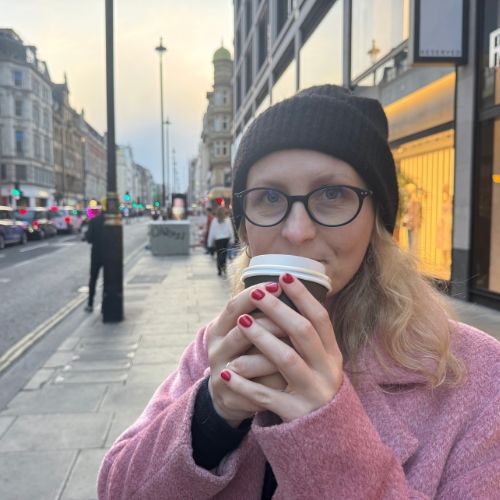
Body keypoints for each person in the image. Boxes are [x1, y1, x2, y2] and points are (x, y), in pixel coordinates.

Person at [97, 86, 500, 499]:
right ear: (244, 226)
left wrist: (323, 430)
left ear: (377, 219)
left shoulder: (480, 378)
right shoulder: (219, 346)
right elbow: (117, 490)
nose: (297, 231)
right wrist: (211, 413)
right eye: (270, 197)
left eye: (332, 195)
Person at [85, 200, 106, 312]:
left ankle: (90, 304)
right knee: (107, 279)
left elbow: (89, 238)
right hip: (109, 255)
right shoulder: (112, 221)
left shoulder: (94, 220)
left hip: (96, 254)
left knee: (93, 279)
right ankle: (104, 304)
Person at [207, 206, 235, 276]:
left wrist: (210, 243)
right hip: (225, 239)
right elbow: (230, 230)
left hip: (217, 240)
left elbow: (212, 231)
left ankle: (219, 269)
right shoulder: (227, 219)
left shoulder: (215, 220)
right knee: (224, 255)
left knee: (218, 254)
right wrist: (232, 239)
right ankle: (224, 268)